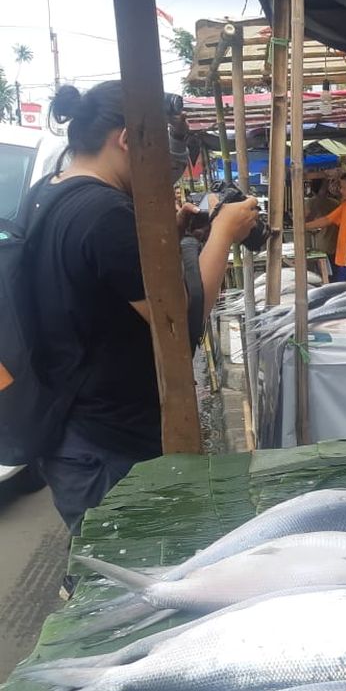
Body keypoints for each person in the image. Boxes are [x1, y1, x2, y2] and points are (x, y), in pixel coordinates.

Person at [28, 82, 260, 533]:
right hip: (106, 443)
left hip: (73, 429)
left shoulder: (50, 193)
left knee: (107, 564)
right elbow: (181, 323)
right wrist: (221, 236)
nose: (164, 166)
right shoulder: (106, 214)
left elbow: (101, 289)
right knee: (126, 575)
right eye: (158, 147)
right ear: (129, 140)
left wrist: (170, 240)